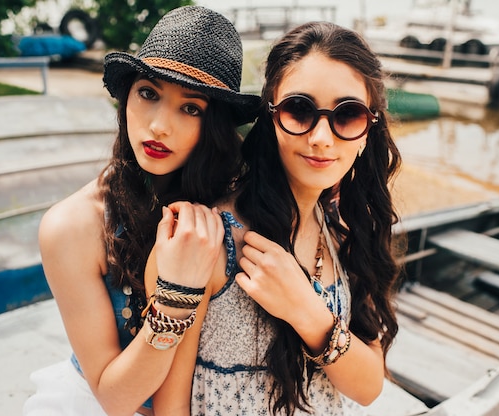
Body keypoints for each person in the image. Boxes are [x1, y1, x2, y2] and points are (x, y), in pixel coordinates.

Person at [149, 21, 402, 415]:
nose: (321, 136)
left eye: (347, 115)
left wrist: (306, 311)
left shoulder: (343, 229)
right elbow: (170, 409)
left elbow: (369, 387)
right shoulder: (209, 242)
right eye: (299, 109)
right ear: (270, 116)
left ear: (368, 129)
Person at [22, 6, 259, 416]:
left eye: (191, 108)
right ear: (126, 95)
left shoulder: (237, 203)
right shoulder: (74, 226)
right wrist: (173, 299)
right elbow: (116, 398)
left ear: (215, 125)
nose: (159, 126)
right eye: (148, 93)